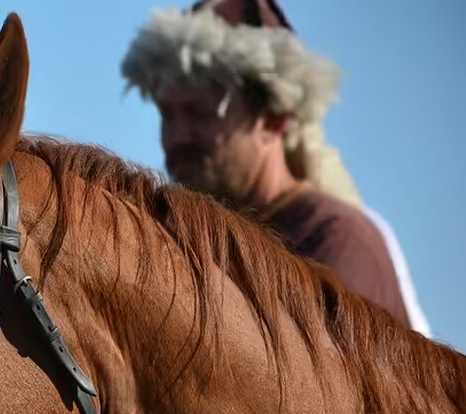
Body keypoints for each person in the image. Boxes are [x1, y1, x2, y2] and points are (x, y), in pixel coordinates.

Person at [120, 0, 430, 333]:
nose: (176, 138)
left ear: (273, 119)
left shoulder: (335, 241)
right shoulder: (192, 239)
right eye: (168, 116)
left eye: (200, 114)